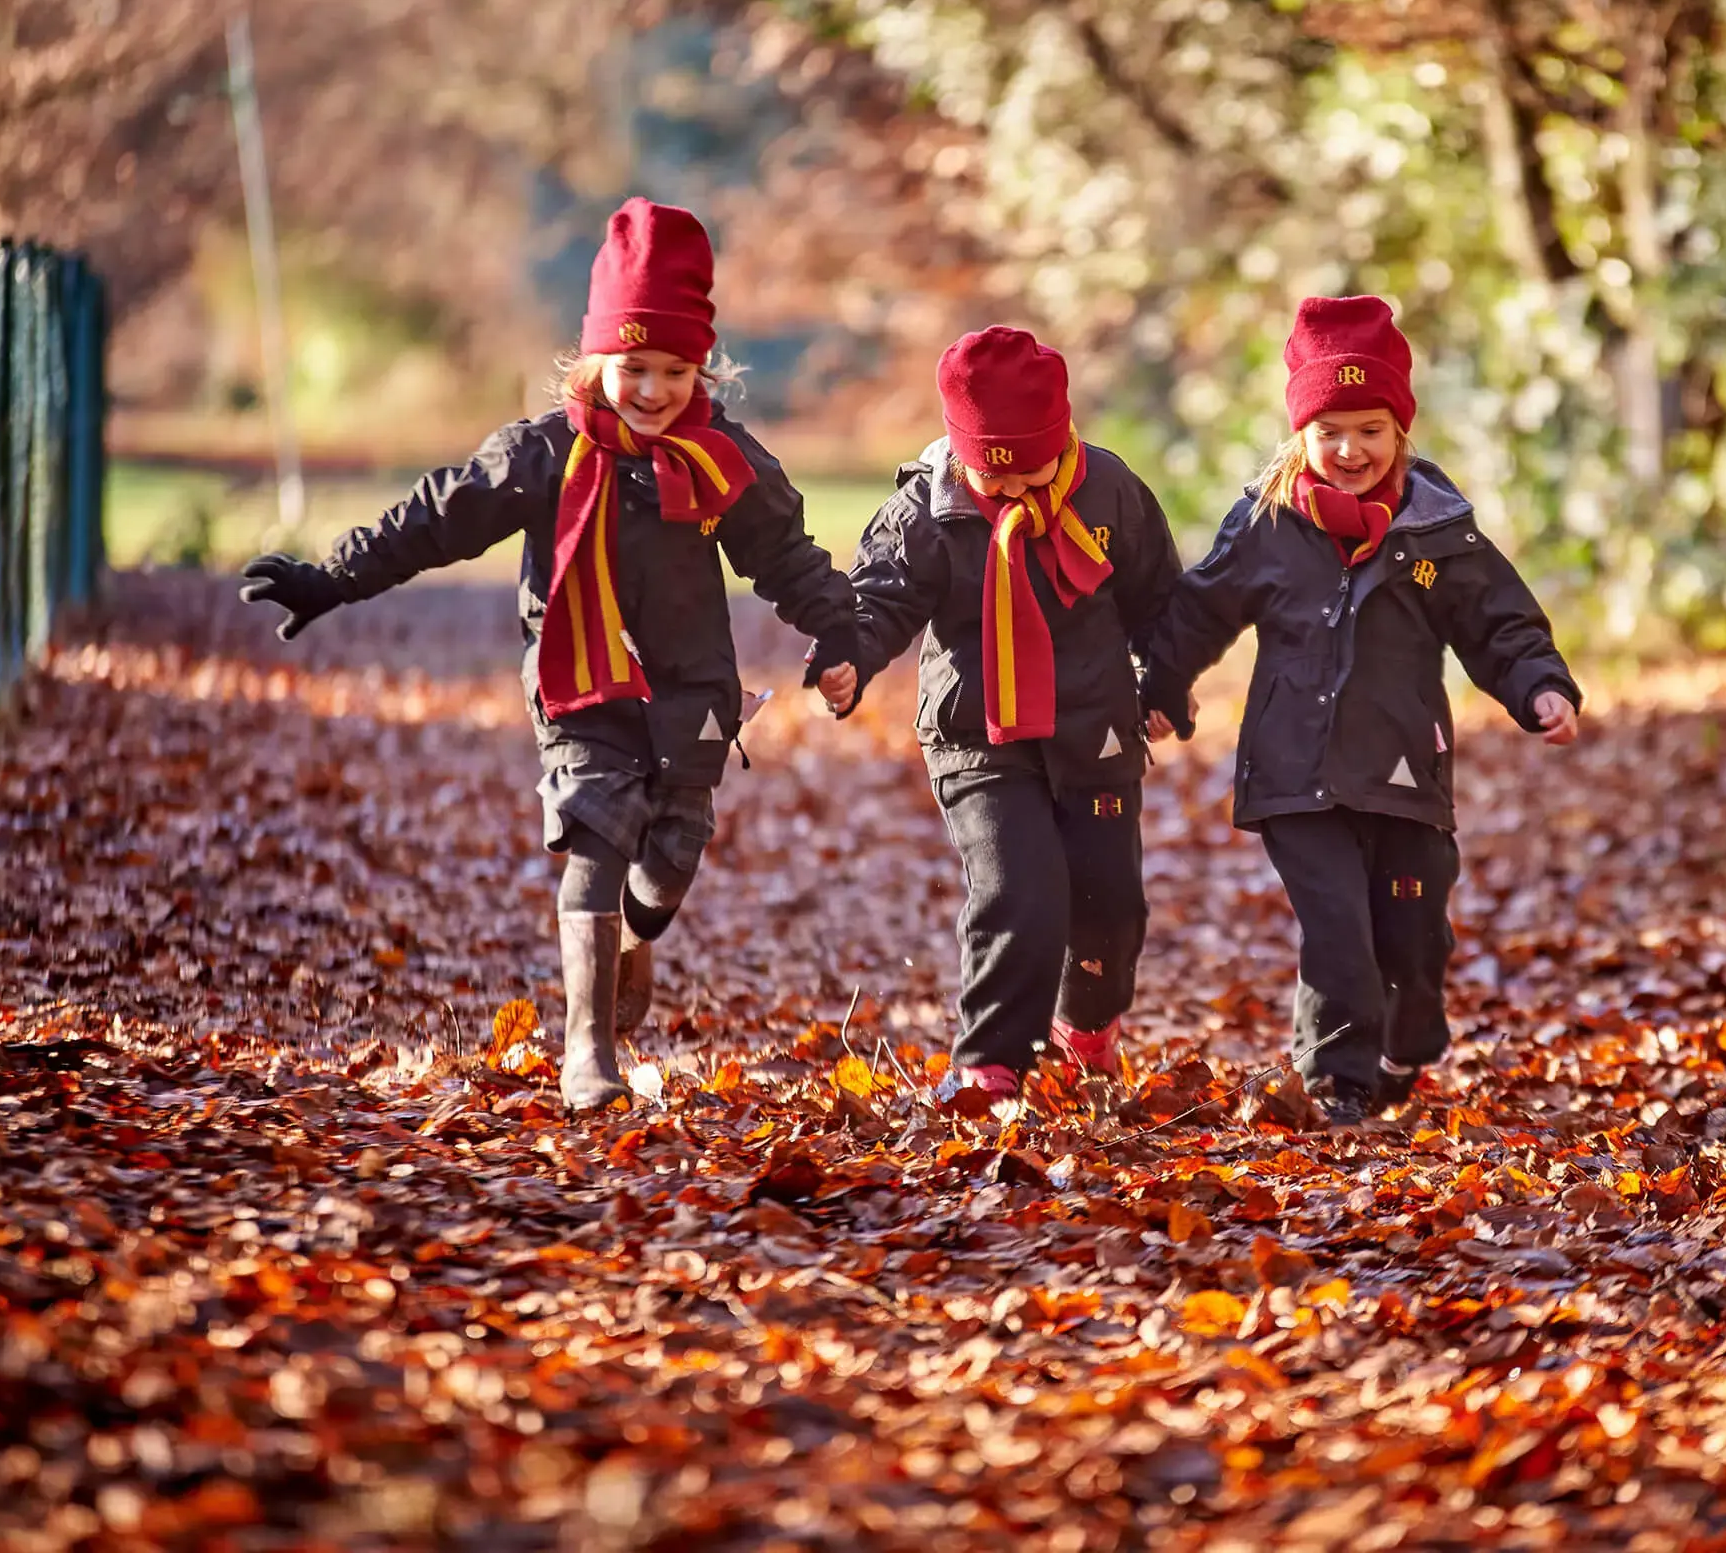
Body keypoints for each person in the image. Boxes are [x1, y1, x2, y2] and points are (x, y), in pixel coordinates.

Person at [238, 199, 860, 1112]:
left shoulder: (724, 459)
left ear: (703, 369)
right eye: (633, 368)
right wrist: (332, 579)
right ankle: (587, 1047)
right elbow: (434, 519)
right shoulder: (543, 455)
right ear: (594, 361)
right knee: (597, 836)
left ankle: (635, 941)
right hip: (579, 682)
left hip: (691, 688)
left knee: (671, 856)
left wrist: (836, 633)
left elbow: (786, 557)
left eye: (674, 371)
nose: (652, 391)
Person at [1142, 296, 1580, 1127]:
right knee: (1337, 929)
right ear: (1301, 434)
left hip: (1403, 763)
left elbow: (1499, 622)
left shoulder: (1437, 534)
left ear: (1400, 432)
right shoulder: (1267, 523)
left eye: (1370, 430)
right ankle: (1338, 1079)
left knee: (1413, 933)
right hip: (1292, 772)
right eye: (1330, 431)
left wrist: (1538, 686)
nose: (1350, 450)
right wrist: (1159, 687)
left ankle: (1405, 1042)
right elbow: (1200, 609)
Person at [847, 326, 1183, 1101]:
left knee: (1109, 906)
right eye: (989, 474)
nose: (1009, 492)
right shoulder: (925, 512)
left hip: (1093, 729)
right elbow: (879, 601)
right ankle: (991, 1061)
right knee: (1018, 892)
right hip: (978, 735)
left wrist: (1163, 683)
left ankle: (1088, 1025)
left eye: (1027, 469)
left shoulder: (1110, 493)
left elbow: (1162, 600)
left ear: (1061, 435)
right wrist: (849, 658)